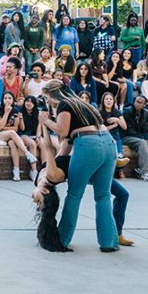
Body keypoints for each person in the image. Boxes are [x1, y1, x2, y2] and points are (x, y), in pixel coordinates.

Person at [38, 80, 119, 251]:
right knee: (103, 196)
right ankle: (108, 243)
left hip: (88, 145)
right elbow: (68, 141)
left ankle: (62, 239)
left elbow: (62, 131)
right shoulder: (82, 104)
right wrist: (57, 163)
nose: (47, 102)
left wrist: (45, 121)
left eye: (46, 98)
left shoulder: (64, 104)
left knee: (74, 195)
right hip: (108, 143)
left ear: (52, 94)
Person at [0, 92, 39, 181]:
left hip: (10, 136)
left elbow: (16, 128)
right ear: (2, 100)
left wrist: (5, 128)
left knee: (13, 143)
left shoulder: (16, 111)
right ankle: (27, 153)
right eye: (5, 98)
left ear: (13, 100)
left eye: (9, 98)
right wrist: (6, 113)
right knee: (12, 133)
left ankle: (16, 171)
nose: (7, 100)